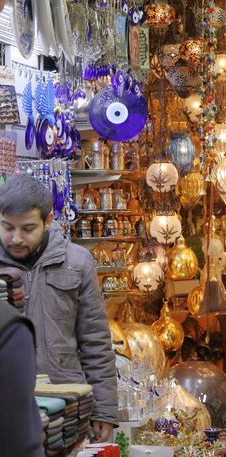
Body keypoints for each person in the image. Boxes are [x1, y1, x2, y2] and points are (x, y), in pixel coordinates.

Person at [0, 175, 116, 441]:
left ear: (48, 220)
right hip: (7, 406)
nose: (16, 238)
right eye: (7, 227)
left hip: (67, 407)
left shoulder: (76, 262)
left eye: (28, 228)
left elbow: (96, 342)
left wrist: (105, 411)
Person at [0, 299, 43, 455]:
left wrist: (103, 409)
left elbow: (93, 337)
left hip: (64, 381)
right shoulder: (9, 327)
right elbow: (18, 440)